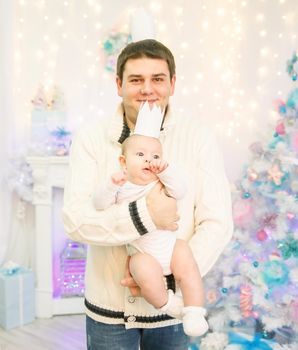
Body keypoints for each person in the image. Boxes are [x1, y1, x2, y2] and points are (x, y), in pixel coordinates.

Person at [62, 39, 233, 350]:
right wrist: (145, 216)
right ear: (118, 84)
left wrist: (169, 278)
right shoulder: (90, 139)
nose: (147, 89)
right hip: (109, 311)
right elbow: (75, 221)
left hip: (173, 311)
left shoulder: (198, 137)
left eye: (157, 79)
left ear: (173, 83)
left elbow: (217, 222)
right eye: (136, 80)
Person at [93, 103, 209, 337]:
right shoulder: (121, 185)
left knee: (186, 258)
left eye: (155, 156)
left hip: (170, 247)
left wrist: (165, 170)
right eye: (140, 155)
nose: (149, 160)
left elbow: (181, 190)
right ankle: (168, 304)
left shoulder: (161, 181)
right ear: (124, 162)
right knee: (140, 267)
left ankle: (194, 309)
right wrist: (109, 186)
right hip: (144, 253)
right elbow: (99, 204)